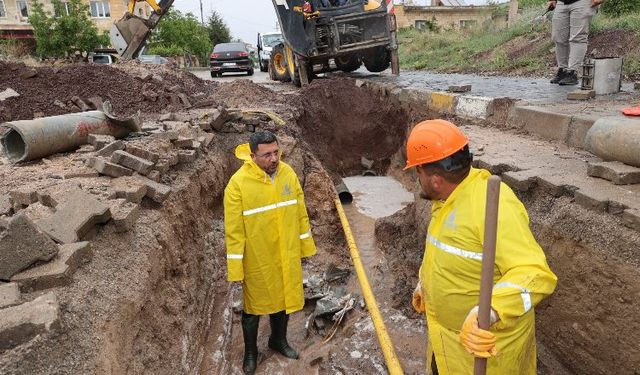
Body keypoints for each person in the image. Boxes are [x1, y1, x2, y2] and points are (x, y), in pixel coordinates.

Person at [406, 119, 558, 375]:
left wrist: (489, 311)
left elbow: (535, 275)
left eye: (417, 173)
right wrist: (426, 284)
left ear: (434, 180)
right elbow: (449, 252)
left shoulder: (492, 206)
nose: (416, 179)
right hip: (446, 345)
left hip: (487, 358)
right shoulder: (447, 200)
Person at [224, 131, 317, 375]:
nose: (274, 158)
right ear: (252, 156)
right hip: (258, 258)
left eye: (276, 152)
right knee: (253, 307)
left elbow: (300, 213)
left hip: (285, 253)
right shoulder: (238, 184)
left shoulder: (288, 173)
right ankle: (251, 353)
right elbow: (233, 231)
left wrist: (305, 247)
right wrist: (236, 268)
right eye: (267, 155)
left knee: (283, 299)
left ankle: (278, 340)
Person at [549, 0, 605, 85]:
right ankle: (563, 70)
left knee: (578, 37)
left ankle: (572, 72)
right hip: (561, 2)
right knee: (559, 37)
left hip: (582, 2)